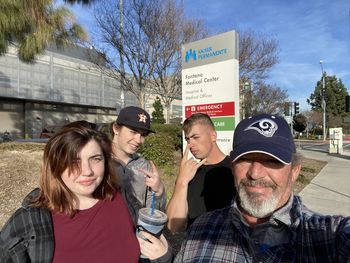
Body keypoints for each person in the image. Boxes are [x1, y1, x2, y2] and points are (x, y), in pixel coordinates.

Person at [174, 113, 350, 262]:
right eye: (245, 159)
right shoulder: (201, 229)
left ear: (295, 171)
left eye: (272, 161)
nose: (255, 173)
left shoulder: (325, 235)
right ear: (233, 166)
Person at [0, 121, 141, 262]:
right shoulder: (28, 221)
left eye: (95, 159)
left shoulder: (123, 199)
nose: (87, 171)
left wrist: (163, 254)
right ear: (55, 165)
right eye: (74, 161)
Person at [166, 113, 236, 232]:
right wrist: (181, 182)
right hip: (194, 246)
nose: (190, 144)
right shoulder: (190, 173)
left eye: (196, 137)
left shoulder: (234, 170)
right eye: (187, 139)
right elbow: (172, 226)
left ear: (213, 135)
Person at [111, 106, 166, 225]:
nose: (139, 140)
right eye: (133, 131)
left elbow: (154, 214)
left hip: (136, 237)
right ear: (116, 128)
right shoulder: (97, 162)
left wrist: (159, 192)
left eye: (143, 135)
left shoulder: (144, 167)